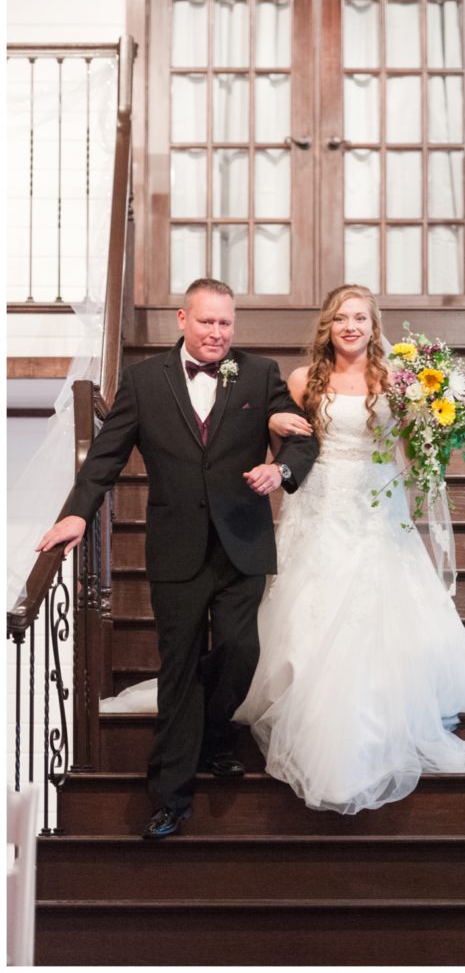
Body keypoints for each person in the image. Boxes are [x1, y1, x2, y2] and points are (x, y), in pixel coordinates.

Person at [36, 278, 319, 838]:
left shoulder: (259, 374)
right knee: (180, 667)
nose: (218, 333)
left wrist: (281, 469)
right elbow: (106, 457)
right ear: (182, 320)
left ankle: (215, 732)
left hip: (242, 542)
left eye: (226, 323)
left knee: (242, 651)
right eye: (208, 321)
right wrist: (77, 512)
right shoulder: (144, 382)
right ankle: (170, 796)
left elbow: (304, 439)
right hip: (176, 547)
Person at [234, 285, 465, 814]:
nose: (351, 326)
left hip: (374, 502)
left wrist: (436, 427)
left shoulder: (397, 379)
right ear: (328, 325)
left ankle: (368, 729)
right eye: (341, 318)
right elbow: (290, 448)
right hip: (320, 503)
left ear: (374, 325)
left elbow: (411, 446)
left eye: (360, 318)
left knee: (374, 608)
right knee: (313, 606)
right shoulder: (303, 380)